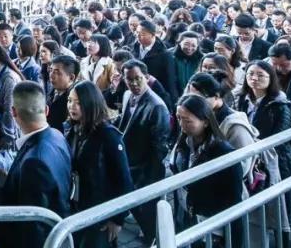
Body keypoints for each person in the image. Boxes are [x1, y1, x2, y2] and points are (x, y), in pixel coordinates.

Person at [0, 81, 71, 248]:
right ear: (46, 110)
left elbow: (33, 226)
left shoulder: (34, 162)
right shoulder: (58, 136)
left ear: (13, 112)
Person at [63, 80, 133, 248]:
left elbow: (124, 182)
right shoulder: (73, 130)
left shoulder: (109, 136)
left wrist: (117, 219)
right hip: (77, 208)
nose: (72, 106)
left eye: (78, 103)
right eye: (70, 101)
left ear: (91, 104)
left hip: (100, 213)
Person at [170, 95, 244, 248]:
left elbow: (234, 203)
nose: (181, 125)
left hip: (213, 230)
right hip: (189, 222)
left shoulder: (224, 154)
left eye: (187, 121)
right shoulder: (183, 142)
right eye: (179, 118)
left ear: (205, 122)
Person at [115, 60, 169, 246]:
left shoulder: (157, 106)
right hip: (129, 160)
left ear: (146, 77)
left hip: (146, 166)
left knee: (147, 209)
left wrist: (152, 175)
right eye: (129, 79)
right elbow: (124, 122)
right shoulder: (127, 95)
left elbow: (159, 147)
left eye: (138, 78)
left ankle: (153, 238)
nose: (134, 83)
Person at [133, 20, 180, 106]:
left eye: (142, 34)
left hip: (156, 95)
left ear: (153, 35)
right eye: (137, 33)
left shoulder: (165, 55)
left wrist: (172, 102)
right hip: (138, 92)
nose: (138, 36)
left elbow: (170, 81)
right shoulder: (134, 48)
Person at [47, 55, 79, 133]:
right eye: (51, 70)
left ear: (71, 77)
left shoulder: (75, 101)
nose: (51, 75)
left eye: (57, 73)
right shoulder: (52, 91)